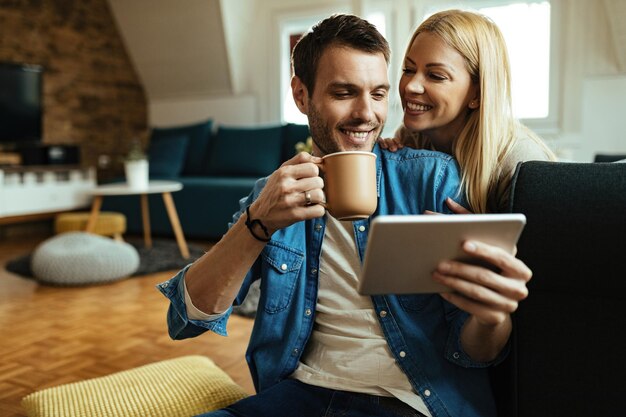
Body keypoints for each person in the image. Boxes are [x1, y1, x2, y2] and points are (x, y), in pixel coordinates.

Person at [158, 13, 531, 417]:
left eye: (378, 94)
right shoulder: (273, 196)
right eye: (344, 92)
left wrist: (493, 317)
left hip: (411, 402)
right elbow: (186, 320)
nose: (366, 114)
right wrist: (256, 224)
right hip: (297, 396)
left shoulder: (432, 177)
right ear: (302, 95)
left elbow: (474, 350)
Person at [380, 9, 556, 214]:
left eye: (436, 75)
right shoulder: (410, 138)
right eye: (408, 70)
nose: (411, 86)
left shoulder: (520, 163)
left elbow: (547, 245)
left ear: (478, 94)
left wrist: (480, 234)